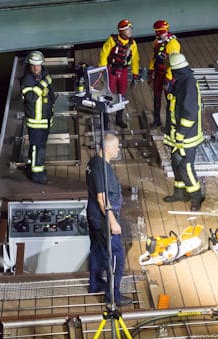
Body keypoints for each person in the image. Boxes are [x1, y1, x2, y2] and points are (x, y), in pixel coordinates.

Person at [86, 133, 132, 306]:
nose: (118, 149)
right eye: (116, 147)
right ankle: (112, 296)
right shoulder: (100, 169)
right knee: (115, 257)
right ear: (107, 148)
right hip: (103, 219)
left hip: (94, 216)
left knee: (97, 251)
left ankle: (95, 284)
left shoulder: (94, 163)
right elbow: (102, 199)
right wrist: (112, 222)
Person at [162, 53, 205, 211]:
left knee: (186, 167)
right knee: (176, 164)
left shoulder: (188, 85)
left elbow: (190, 114)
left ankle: (196, 197)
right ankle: (179, 193)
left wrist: (180, 134)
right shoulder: (182, 80)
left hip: (187, 137)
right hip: (177, 135)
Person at [20, 50, 56, 184]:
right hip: (36, 122)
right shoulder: (26, 80)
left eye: (39, 65)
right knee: (38, 148)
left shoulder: (44, 75)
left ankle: (31, 168)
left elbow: (51, 94)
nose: (36, 68)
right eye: (34, 65)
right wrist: (43, 84)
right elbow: (30, 97)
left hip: (45, 120)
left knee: (36, 148)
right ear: (29, 65)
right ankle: (38, 175)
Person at [98, 19, 140, 129]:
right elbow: (104, 54)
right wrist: (102, 68)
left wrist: (135, 73)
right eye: (127, 29)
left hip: (124, 71)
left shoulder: (132, 44)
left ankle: (119, 118)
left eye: (130, 29)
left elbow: (135, 59)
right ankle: (105, 119)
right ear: (121, 31)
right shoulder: (112, 41)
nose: (130, 31)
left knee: (122, 94)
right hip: (111, 70)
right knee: (108, 94)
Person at [148, 20, 181, 129]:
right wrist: (151, 70)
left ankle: (171, 124)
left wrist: (169, 78)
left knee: (170, 100)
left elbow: (173, 63)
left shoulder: (173, 44)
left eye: (158, 32)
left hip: (168, 76)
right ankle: (157, 120)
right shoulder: (157, 42)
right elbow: (155, 57)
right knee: (156, 97)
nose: (157, 34)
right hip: (158, 74)